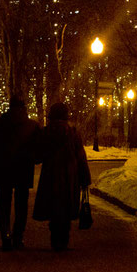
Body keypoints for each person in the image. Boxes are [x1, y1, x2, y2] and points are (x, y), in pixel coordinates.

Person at [32, 101, 92, 251]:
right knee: (65, 207)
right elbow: (80, 157)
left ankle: (55, 237)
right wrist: (85, 179)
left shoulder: (46, 132)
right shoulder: (73, 133)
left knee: (53, 206)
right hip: (69, 177)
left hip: (50, 175)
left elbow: (38, 156)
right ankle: (64, 239)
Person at [0, 97, 41, 251]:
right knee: (21, 206)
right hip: (23, 170)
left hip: (3, 170)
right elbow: (38, 150)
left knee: (3, 205)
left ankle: (5, 235)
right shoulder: (32, 126)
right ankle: (18, 236)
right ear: (24, 108)